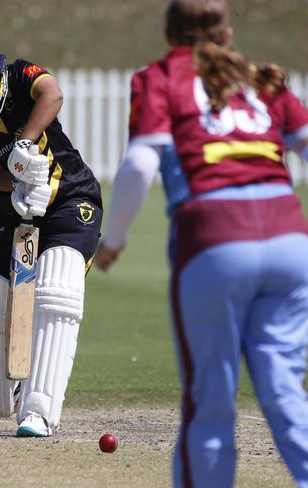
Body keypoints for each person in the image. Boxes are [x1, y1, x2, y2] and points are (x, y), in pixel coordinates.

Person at [94, 0, 308, 485]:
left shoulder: (159, 77)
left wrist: (114, 241)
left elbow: (142, 164)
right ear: (227, 32)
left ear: (169, 34)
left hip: (215, 240)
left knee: (210, 399)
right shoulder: (261, 79)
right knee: (284, 390)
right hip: (292, 242)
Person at [0, 35, 103, 437]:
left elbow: (52, 93)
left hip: (70, 198)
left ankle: (39, 408)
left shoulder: (19, 76)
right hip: (11, 205)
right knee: (0, 302)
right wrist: (15, 185)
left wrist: (25, 143)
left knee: (55, 291)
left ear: (0, 77)